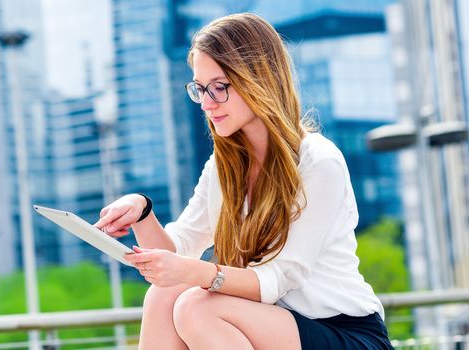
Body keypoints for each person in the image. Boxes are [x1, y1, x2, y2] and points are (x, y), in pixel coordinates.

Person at [94, 12, 394, 350]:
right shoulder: (224, 167)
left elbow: (279, 279)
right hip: (271, 321)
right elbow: (177, 251)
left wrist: (195, 274)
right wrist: (142, 212)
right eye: (200, 89)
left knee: (197, 308)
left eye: (219, 88)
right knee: (165, 295)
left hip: (343, 333)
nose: (207, 104)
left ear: (259, 79)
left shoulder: (318, 161)